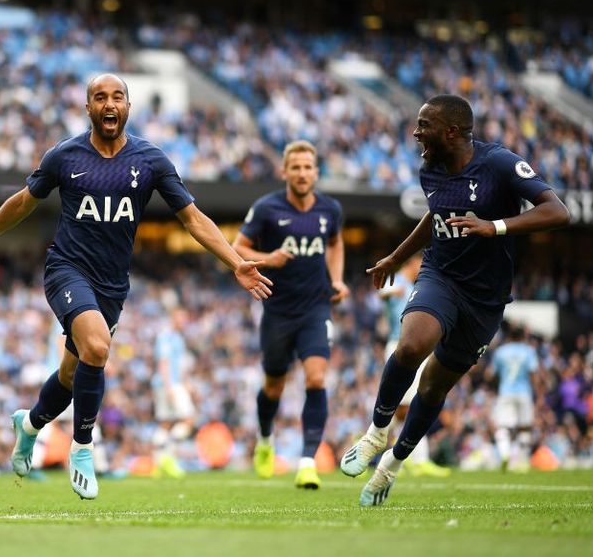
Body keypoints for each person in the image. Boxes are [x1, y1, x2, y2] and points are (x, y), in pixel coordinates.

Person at [0, 73, 272, 500]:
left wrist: (235, 262)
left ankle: (29, 424)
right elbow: (25, 200)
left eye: (117, 96)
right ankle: (83, 448)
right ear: (88, 107)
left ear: (127, 106)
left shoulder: (151, 160)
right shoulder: (64, 156)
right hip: (66, 270)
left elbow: (193, 219)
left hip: (112, 285)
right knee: (98, 347)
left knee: (71, 374)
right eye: (100, 97)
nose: (109, 103)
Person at [342, 94, 569, 507]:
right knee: (411, 345)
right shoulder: (430, 168)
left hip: (485, 298)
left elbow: (558, 212)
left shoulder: (499, 163)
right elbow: (437, 214)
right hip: (441, 276)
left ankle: (392, 463)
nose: (416, 133)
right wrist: (397, 256)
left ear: (451, 132)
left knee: (434, 384)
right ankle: (376, 432)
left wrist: (495, 226)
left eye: (424, 125)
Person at [232, 140, 349, 490]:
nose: (301, 173)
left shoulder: (330, 209)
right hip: (277, 310)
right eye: (295, 167)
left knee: (316, 379)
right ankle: (265, 439)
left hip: (316, 308)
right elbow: (237, 247)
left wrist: (337, 279)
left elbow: (335, 243)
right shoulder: (267, 208)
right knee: (274, 385)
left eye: (307, 167)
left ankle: (307, 462)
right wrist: (268, 258)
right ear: (284, 172)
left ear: (316, 172)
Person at [378, 254, 450, 478]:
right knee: (408, 406)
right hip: (399, 347)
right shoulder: (398, 281)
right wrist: (392, 292)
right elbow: (382, 293)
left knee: (406, 408)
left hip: (417, 349)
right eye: (420, 263)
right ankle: (418, 459)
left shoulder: (416, 286)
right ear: (410, 263)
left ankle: (368, 439)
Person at [151, 307, 194, 479]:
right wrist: (169, 386)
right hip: (168, 383)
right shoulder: (166, 336)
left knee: (166, 424)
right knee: (189, 419)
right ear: (173, 318)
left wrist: (187, 383)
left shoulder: (177, 337)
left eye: (185, 318)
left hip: (172, 383)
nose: (184, 322)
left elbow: (179, 364)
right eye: (181, 318)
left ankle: (158, 462)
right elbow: (164, 361)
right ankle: (169, 457)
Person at [489, 326, 540, 472]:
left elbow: (492, 375)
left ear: (509, 337)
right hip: (524, 392)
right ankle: (522, 461)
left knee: (503, 426)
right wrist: (538, 394)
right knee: (524, 427)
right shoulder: (528, 351)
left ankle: (505, 454)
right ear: (522, 337)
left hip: (505, 392)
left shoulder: (500, 352)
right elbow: (533, 374)